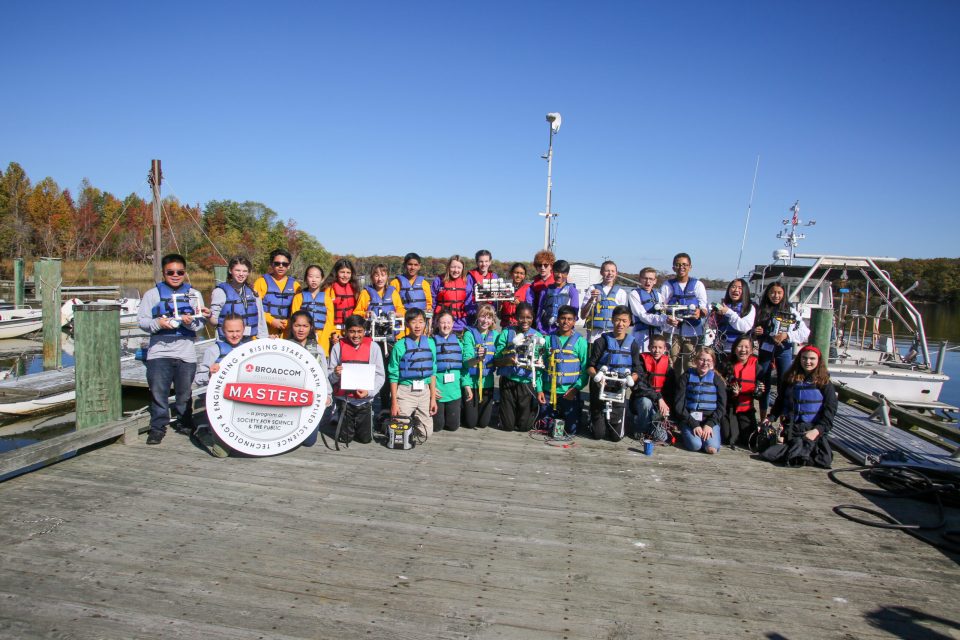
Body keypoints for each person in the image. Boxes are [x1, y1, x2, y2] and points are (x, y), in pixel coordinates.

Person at [138, 253, 209, 445]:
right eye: (171, 272)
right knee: (158, 392)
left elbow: (200, 323)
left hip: (185, 352)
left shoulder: (194, 295)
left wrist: (188, 323)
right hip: (159, 351)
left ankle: (184, 422)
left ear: (185, 273)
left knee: (184, 393)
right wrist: (159, 323)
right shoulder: (151, 295)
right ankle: (157, 427)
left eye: (180, 272)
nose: (175, 275)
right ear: (163, 272)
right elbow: (142, 321)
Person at [760, 345, 837, 468]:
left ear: (818, 360)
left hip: (813, 428)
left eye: (812, 359)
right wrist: (771, 418)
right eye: (804, 358)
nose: (807, 362)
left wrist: (816, 431)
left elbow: (830, 412)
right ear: (799, 359)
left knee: (824, 460)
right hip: (793, 427)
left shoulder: (825, 383)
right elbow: (780, 401)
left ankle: (796, 452)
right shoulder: (790, 379)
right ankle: (795, 452)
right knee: (770, 454)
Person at [754, 282, 810, 421]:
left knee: (784, 385)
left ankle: (781, 422)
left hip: (783, 350)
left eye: (779, 292)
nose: (776, 295)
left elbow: (805, 332)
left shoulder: (791, 311)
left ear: (784, 294)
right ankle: (762, 420)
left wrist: (787, 336)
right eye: (772, 292)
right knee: (763, 385)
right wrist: (756, 331)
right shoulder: (760, 309)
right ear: (767, 293)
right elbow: (751, 330)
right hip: (766, 349)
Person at [587, 305, 643, 441]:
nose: (621, 324)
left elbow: (637, 370)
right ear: (612, 320)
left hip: (619, 389)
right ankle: (593, 418)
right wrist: (597, 378)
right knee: (598, 435)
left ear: (629, 322)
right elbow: (590, 366)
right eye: (617, 320)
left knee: (616, 437)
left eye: (624, 321)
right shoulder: (601, 341)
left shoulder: (633, 344)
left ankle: (614, 420)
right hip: (600, 387)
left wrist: (630, 380)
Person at [353, 263, 404, 410]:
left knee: (387, 372)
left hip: (389, 340)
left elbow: (401, 310)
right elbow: (357, 312)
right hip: (371, 339)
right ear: (372, 277)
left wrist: (395, 314)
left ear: (387, 276)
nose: (379, 278)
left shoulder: (393, 292)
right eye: (376, 275)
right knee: (370, 370)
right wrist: (366, 314)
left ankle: (386, 405)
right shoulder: (366, 293)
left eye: (382, 274)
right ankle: (364, 403)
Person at [329, 315, 385, 445]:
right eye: (352, 331)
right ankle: (338, 415)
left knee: (365, 439)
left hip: (364, 401)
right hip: (345, 401)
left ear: (364, 331)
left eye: (359, 331)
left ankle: (364, 420)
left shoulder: (374, 347)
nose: (356, 335)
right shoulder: (338, 347)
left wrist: (370, 392)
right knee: (345, 438)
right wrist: (336, 374)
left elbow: (380, 375)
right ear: (346, 331)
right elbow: (329, 376)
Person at [493, 302, 545, 432]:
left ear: (533, 318)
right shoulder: (506, 333)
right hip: (509, 381)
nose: (525, 321)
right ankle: (504, 412)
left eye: (529, 317)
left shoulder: (538, 337)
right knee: (508, 426)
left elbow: (538, 369)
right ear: (515, 317)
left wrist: (539, 390)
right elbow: (496, 360)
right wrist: (508, 361)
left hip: (527, 383)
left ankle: (526, 413)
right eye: (522, 317)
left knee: (524, 427)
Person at [387, 307, 437, 439]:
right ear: (407, 324)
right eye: (414, 322)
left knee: (426, 434)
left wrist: (433, 398)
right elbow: (393, 375)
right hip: (405, 391)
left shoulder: (431, 343)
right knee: (399, 432)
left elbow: (433, 372)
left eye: (421, 322)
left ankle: (414, 421)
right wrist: (394, 403)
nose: (418, 326)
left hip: (424, 391)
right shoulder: (399, 346)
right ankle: (390, 418)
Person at [286, 309, 334, 446]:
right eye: (297, 326)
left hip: (310, 398)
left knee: (308, 442)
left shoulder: (317, 349)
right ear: (291, 326)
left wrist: (328, 395)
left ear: (311, 327)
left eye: (305, 326)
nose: (301, 330)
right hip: (290, 397)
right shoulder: (284, 346)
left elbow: (324, 375)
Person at [541, 305, 588, 436]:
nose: (565, 322)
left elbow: (585, 370)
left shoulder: (581, 342)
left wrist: (575, 389)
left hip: (569, 392)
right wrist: (539, 389)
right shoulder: (547, 339)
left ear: (574, 321)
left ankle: (576, 411)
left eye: (569, 319)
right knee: (545, 428)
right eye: (562, 318)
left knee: (571, 431)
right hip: (549, 391)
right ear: (557, 319)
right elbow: (540, 366)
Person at [660, 253, 708, 375]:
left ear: (690, 267)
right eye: (678, 265)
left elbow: (704, 308)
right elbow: (661, 308)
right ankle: (672, 391)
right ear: (673, 267)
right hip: (672, 332)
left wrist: (699, 312)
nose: (681, 267)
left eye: (684, 265)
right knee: (672, 364)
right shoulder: (667, 285)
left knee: (690, 365)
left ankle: (687, 391)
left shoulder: (698, 285)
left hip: (692, 333)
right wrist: (667, 318)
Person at [673, 347, 726, 454]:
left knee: (712, 449)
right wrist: (693, 424)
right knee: (695, 445)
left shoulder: (717, 379)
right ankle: (692, 436)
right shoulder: (686, 377)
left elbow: (722, 406)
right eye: (701, 359)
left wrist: (710, 424)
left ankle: (707, 439)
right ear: (695, 361)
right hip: (689, 419)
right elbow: (679, 405)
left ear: (713, 363)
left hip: (710, 420)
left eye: (708, 360)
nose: (704, 363)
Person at [209, 256, 267, 341]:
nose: (241, 274)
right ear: (230, 271)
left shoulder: (253, 292)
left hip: (248, 340)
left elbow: (261, 320)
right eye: (237, 270)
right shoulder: (220, 292)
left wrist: (263, 339)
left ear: (248, 273)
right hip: (226, 341)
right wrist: (208, 316)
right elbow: (214, 322)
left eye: (244, 271)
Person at [461, 303, 498, 428]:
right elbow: (466, 363)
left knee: (482, 424)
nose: (485, 321)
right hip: (471, 382)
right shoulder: (469, 334)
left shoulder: (496, 336)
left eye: (489, 318)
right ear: (477, 316)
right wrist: (478, 358)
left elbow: (499, 356)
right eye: (483, 316)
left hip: (487, 383)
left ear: (493, 320)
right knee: (470, 423)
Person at [432, 310, 469, 432]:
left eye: (448, 322)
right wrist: (430, 388)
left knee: (453, 427)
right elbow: (427, 367)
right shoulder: (431, 342)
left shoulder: (459, 342)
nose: (446, 326)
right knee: (437, 427)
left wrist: (466, 385)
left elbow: (464, 367)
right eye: (442, 322)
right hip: (438, 391)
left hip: (454, 391)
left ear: (453, 324)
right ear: (437, 324)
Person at [722, 335, 762, 448]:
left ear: (752, 350)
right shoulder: (726, 365)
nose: (743, 350)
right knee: (728, 437)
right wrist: (732, 392)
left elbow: (761, 395)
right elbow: (721, 390)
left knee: (751, 441)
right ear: (734, 348)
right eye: (740, 346)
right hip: (730, 407)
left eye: (746, 347)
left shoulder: (758, 367)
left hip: (746, 408)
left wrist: (758, 391)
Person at [634, 334, 673, 442]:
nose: (657, 350)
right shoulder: (641, 361)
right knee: (646, 403)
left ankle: (654, 427)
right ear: (649, 347)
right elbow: (640, 386)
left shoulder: (668, 365)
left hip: (659, 403)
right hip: (642, 399)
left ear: (665, 349)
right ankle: (641, 430)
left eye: (660, 348)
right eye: (654, 347)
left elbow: (671, 390)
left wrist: (667, 407)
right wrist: (659, 398)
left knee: (661, 437)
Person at [253, 249, 301, 337]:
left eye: (284, 264)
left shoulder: (295, 285)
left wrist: (290, 322)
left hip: (287, 331)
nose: (281, 266)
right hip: (266, 331)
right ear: (272, 264)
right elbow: (255, 307)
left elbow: (298, 309)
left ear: (289, 266)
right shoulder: (261, 282)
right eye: (277, 263)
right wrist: (271, 321)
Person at [581, 260, 629, 343]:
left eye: (612, 271)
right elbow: (583, 316)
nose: (610, 273)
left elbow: (624, 318)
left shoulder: (621, 292)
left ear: (616, 273)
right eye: (607, 270)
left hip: (613, 335)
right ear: (601, 272)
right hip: (594, 336)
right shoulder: (592, 289)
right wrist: (591, 300)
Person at [194, 314, 245, 387]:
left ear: (243, 330)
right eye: (230, 331)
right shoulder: (212, 351)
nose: (234, 335)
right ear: (223, 331)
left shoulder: (249, 350)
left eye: (238, 331)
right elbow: (199, 379)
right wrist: (210, 374)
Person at [320, 258, 359, 348]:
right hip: (333, 331)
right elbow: (325, 314)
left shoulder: (354, 288)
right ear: (336, 273)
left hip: (350, 330)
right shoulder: (328, 289)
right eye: (342, 272)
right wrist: (333, 333)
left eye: (348, 273)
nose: (345, 275)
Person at [289, 265, 329, 354]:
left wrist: (322, 339)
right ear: (306, 278)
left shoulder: (327, 298)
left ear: (322, 279)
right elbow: (294, 320)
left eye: (317, 277)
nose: (314, 280)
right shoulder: (298, 297)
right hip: (302, 338)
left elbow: (329, 322)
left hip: (322, 337)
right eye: (310, 276)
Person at [628, 267, 668, 353]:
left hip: (657, 335)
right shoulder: (634, 294)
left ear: (655, 281)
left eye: (651, 279)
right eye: (645, 278)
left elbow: (663, 314)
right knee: (641, 359)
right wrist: (664, 319)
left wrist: (669, 321)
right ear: (640, 279)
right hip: (641, 335)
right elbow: (642, 316)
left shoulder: (659, 296)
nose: (648, 281)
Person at [713, 278, 756, 355]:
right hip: (721, 348)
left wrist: (728, 312)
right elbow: (712, 326)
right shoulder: (722, 305)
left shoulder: (750, 307)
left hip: (739, 351)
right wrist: (713, 314)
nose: (736, 290)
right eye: (733, 287)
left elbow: (745, 327)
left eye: (740, 288)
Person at [536, 260, 579, 334]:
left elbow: (574, 314)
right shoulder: (545, 291)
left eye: (563, 273)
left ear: (567, 274)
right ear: (552, 272)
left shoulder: (572, 290)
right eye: (556, 272)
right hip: (546, 331)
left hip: (564, 332)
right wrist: (541, 329)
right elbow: (539, 312)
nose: (559, 275)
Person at [431, 255, 469, 333]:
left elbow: (469, 303)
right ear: (448, 267)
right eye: (453, 267)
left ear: (463, 269)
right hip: (441, 323)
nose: (456, 270)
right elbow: (432, 302)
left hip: (460, 323)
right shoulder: (438, 281)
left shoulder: (467, 282)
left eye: (459, 268)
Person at [465, 249, 498, 324]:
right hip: (474, 314)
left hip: (489, 313)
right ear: (477, 262)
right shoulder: (470, 277)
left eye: (486, 261)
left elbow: (497, 299)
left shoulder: (494, 276)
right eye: (481, 261)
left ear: (490, 262)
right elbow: (467, 297)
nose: (484, 264)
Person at [499, 262, 533, 328]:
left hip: (520, 325)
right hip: (506, 325)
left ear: (524, 275)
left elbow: (530, 308)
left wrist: (519, 304)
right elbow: (499, 311)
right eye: (516, 273)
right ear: (511, 273)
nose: (518, 276)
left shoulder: (528, 288)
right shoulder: (505, 288)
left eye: (521, 273)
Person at [530, 249, 555, 323]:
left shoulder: (558, 283)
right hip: (536, 321)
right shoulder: (532, 285)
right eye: (539, 265)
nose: (542, 268)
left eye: (546, 265)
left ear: (551, 266)